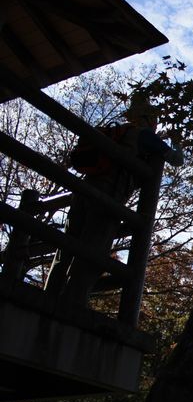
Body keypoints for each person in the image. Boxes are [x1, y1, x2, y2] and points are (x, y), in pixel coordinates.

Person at [45, 93, 183, 305]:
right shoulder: (144, 136)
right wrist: (176, 140)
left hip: (83, 189)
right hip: (109, 196)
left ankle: (50, 294)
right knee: (95, 248)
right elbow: (177, 160)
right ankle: (74, 301)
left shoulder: (117, 131)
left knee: (67, 246)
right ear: (149, 119)